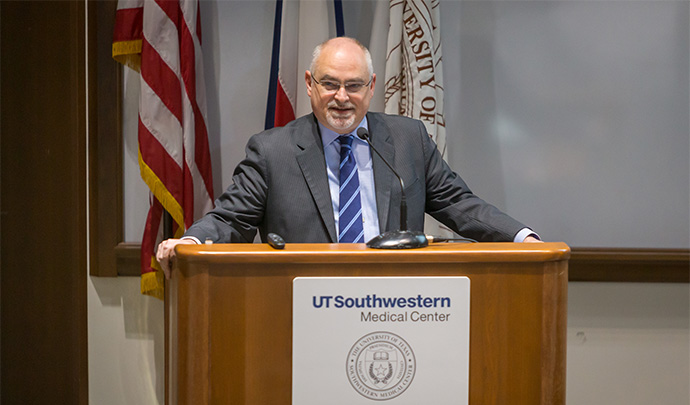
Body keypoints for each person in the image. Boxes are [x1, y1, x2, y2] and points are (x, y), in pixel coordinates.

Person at [156, 37, 539, 277]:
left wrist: (523, 238)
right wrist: (191, 240)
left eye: (354, 85)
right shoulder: (273, 151)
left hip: (398, 304)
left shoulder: (408, 140)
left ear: (371, 87)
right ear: (309, 84)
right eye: (330, 84)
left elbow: (460, 204)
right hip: (306, 306)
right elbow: (231, 218)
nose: (342, 97)